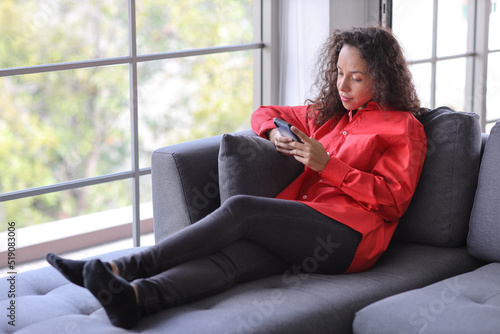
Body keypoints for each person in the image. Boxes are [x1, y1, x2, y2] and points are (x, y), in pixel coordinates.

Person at [46, 26, 427, 329]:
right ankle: (138, 299)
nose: (342, 86)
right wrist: (274, 133)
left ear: (381, 78)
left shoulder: (403, 128)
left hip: (351, 239)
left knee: (243, 210)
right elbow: (265, 111)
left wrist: (328, 165)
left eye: (356, 78)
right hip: (301, 227)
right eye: (340, 73)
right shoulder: (330, 114)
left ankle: (123, 267)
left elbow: (394, 200)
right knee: (235, 257)